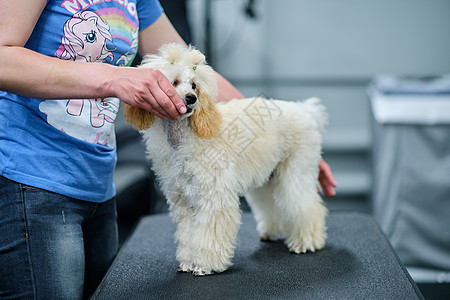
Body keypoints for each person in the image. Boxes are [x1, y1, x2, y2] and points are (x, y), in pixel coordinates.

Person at [0, 0, 336, 298]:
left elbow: (199, 78)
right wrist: (115, 78)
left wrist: (284, 130)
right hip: (32, 181)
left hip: (98, 182)